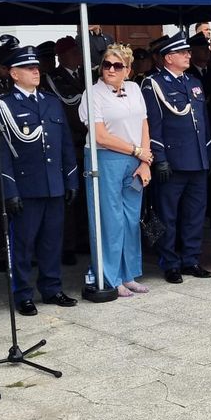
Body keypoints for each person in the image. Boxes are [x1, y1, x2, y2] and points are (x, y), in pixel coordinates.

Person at [0, 46, 80, 313]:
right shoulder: (3, 105)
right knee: (23, 244)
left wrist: (71, 180)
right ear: (14, 74)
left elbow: (65, 144)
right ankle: (22, 294)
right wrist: (9, 189)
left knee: (52, 241)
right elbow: (1, 153)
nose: (35, 71)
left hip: (53, 184)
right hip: (26, 186)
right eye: (28, 68)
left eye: (36, 67)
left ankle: (52, 288)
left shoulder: (51, 101)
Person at [77, 44, 150, 297]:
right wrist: (136, 151)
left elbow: (144, 124)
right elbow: (101, 136)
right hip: (106, 159)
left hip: (134, 159)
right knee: (110, 220)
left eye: (117, 66)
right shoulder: (93, 93)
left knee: (131, 219)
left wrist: (145, 161)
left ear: (128, 70)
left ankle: (128, 274)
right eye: (106, 64)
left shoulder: (134, 89)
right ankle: (111, 276)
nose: (110, 69)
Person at [142, 34, 211, 284]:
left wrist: (208, 153)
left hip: (197, 159)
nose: (188, 56)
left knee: (195, 214)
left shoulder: (193, 82)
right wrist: (160, 157)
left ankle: (191, 259)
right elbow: (153, 124)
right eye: (182, 53)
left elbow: (203, 121)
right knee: (167, 215)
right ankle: (169, 262)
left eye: (188, 52)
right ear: (168, 58)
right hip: (172, 161)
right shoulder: (153, 84)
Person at [45, 36, 89, 267]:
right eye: (73, 52)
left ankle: (83, 239)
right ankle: (68, 245)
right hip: (70, 143)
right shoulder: (53, 79)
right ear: (62, 56)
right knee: (69, 199)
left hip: (88, 144)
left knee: (85, 197)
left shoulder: (87, 74)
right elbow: (64, 110)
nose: (78, 55)